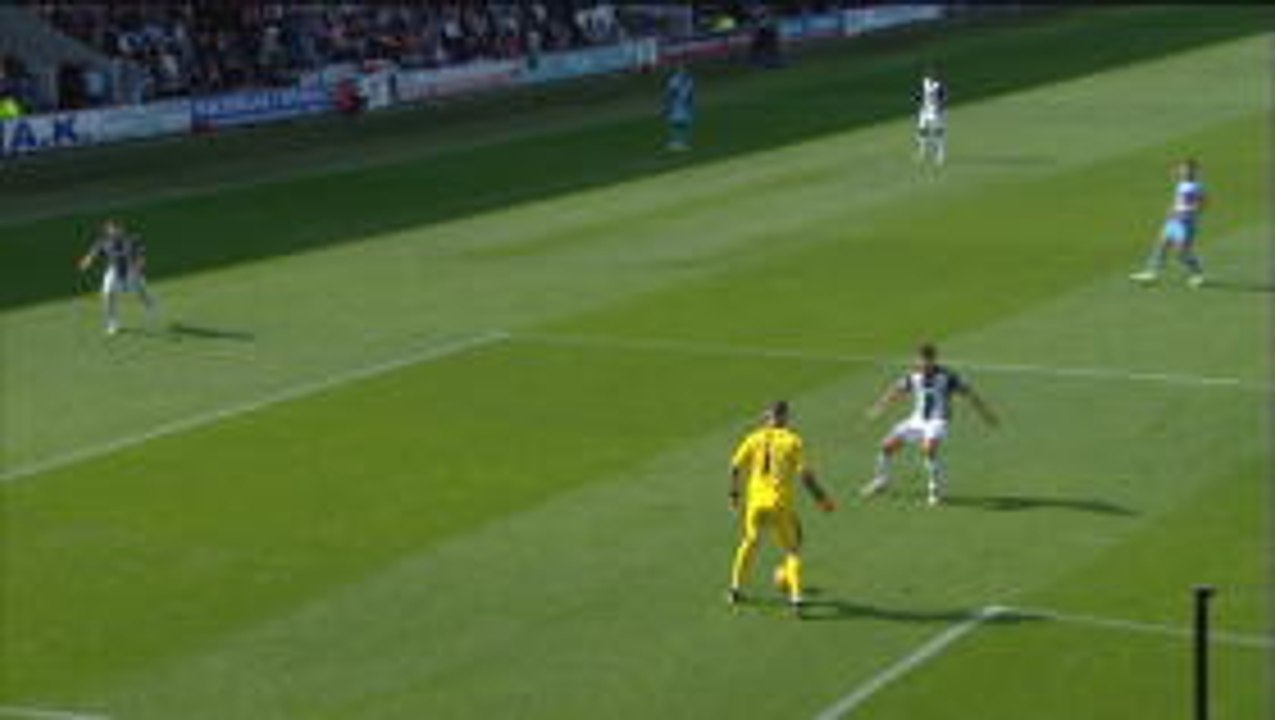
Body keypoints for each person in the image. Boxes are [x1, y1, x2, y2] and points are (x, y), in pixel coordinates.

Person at [727, 400, 836, 615]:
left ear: (767, 417)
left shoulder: (753, 437)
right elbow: (805, 475)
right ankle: (796, 598)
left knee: (750, 541)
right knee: (792, 550)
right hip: (780, 503)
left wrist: (733, 495)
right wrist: (822, 499)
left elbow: (735, 467)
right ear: (785, 417)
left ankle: (735, 589)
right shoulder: (793, 441)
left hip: (756, 503)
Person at [861, 343, 997, 506]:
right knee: (886, 446)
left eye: (927, 360)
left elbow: (969, 393)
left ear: (933, 360)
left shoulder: (948, 376)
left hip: (938, 420)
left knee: (928, 449)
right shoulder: (913, 376)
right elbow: (896, 391)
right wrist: (878, 407)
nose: (923, 364)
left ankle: (934, 490)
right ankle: (881, 481)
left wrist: (985, 413)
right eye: (921, 360)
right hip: (916, 420)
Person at [1130, 158, 1207, 288]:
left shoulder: (1196, 187)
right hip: (1173, 221)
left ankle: (1197, 274)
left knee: (1182, 253)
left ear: (1194, 171)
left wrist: (1188, 214)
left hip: (1185, 223)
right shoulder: (1181, 184)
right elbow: (1179, 201)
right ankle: (1152, 273)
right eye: (1182, 169)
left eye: (1187, 169)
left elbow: (1203, 204)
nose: (1183, 171)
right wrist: (1171, 210)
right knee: (1161, 246)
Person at [77, 219, 158, 335]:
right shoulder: (104, 242)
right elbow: (94, 252)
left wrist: (139, 264)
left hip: (131, 269)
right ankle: (112, 323)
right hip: (114, 271)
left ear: (121, 229)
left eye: (116, 229)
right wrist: (87, 261)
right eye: (111, 229)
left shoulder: (131, 240)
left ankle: (150, 306)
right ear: (108, 231)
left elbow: (140, 254)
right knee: (107, 294)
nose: (114, 231)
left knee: (141, 291)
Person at [915, 66, 946, 166]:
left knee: (937, 133)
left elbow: (942, 98)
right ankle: (922, 152)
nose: (931, 77)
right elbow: (921, 94)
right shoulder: (925, 83)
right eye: (930, 75)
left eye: (933, 75)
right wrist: (920, 104)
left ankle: (940, 154)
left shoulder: (938, 85)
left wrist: (939, 109)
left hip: (935, 110)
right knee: (921, 131)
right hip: (925, 110)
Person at [663, 62, 695, 151]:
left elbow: (690, 93)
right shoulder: (675, 79)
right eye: (681, 68)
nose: (683, 70)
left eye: (684, 69)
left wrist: (690, 103)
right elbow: (670, 93)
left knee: (683, 123)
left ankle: (682, 142)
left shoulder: (688, 80)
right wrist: (668, 104)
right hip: (677, 104)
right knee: (676, 123)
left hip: (682, 104)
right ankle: (676, 141)